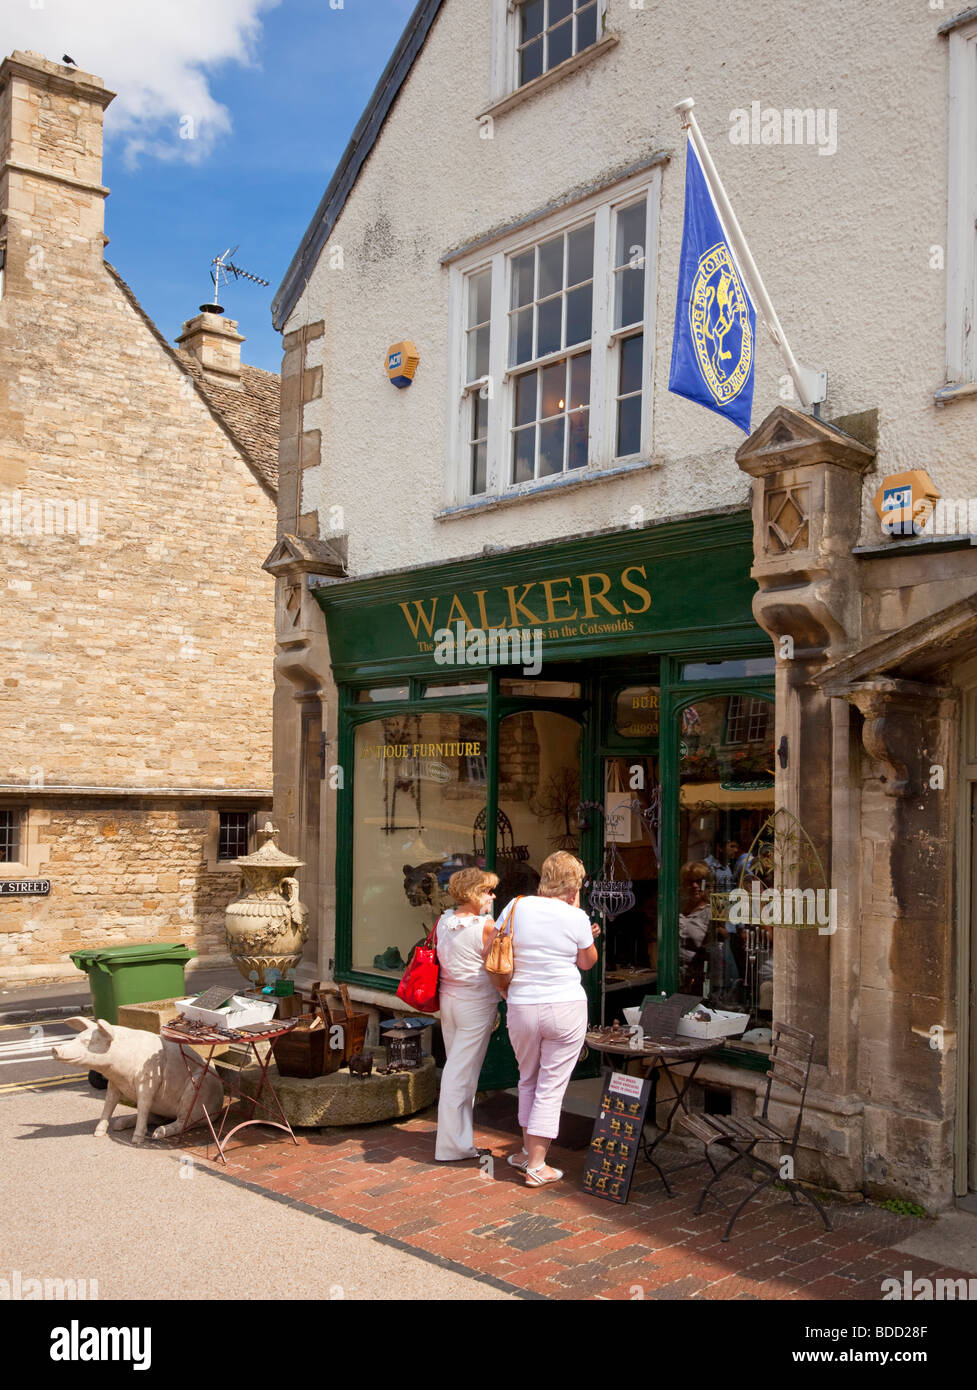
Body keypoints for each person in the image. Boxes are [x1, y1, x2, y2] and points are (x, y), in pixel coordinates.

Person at [497, 851, 600, 1188]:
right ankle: (538, 1165)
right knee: (551, 1085)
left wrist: (506, 992)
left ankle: (529, 1154)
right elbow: (587, 962)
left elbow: (493, 951)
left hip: (523, 1004)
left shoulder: (516, 906)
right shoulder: (576, 916)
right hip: (564, 1005)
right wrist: (584, 932)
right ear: (574, 886)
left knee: (527, 1078)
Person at [434, 867, 501, 1162]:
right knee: (459, 1074)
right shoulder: (486, 926)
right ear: (475, 893)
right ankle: (452, 1145)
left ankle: (460, 1139)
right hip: (475, 1004)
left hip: (448, 1001)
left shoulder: (444, 920)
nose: (492, 896)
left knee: (460, 1071)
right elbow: (499, 965)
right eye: (488, 891)